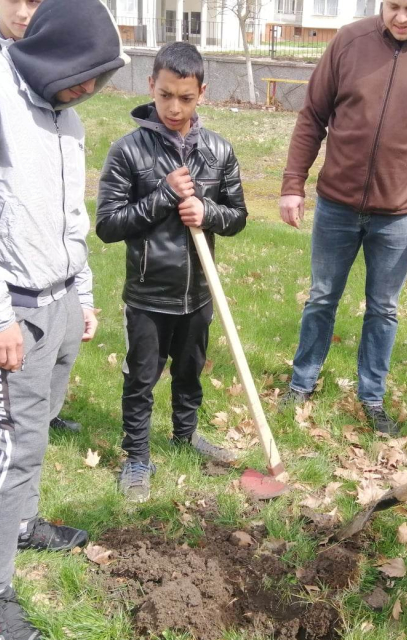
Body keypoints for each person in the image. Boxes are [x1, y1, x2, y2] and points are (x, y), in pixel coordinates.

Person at [0, 0, 128, 636]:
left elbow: (71, 207)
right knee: (16, 446)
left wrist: (83, 292)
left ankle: (21, 523)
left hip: (61, 296)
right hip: (14, 303)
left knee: (38, 427)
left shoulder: (61, 93)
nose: (27, 10)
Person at [277, 0, 407, 434]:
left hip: (399, 214)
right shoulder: (349, 41)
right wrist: (293, 185)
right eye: (392, 6)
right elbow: (312, 116)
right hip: (336, 204)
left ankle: (372, 396)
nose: (400, 17)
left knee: (383, 308)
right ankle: (302, 382)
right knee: (322, 296)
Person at [96, 42, 247, 503]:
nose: (174, 108)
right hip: (147, 294)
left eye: (185, 97)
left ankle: (186, 434)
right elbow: (108, 225)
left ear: (202, 91)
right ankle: (137, 457)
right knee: (141, 379)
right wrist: (163, 195)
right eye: (165, 96)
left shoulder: (218, 152)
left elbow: (238, 216)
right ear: (150, 87)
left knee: (190, 370)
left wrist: (208, 212)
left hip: (199, 291)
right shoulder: (128, 151)